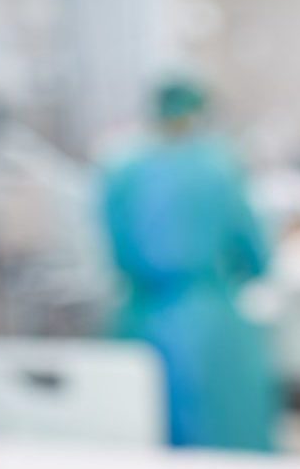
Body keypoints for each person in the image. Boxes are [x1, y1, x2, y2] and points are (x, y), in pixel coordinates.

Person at [101, 80, 279, 450]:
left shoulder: (121, 170)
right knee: (223, 440)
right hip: (213, 326)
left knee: (141, 438)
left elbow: (115, 255)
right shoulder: (219, 167)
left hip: (139, 322)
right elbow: (254, 254)